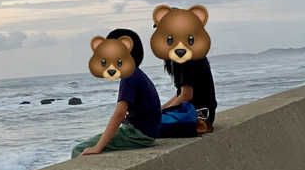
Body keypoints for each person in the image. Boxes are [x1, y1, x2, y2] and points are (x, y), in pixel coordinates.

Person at [71, 28, 161, 157]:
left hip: (138, 135)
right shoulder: (137, 73)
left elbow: (119, 114)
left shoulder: (129, 76)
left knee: (79, 149)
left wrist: (98, 147)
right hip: (147, 133)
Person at [161, 56, 217, 132]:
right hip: (205, 114)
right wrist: (162, 108)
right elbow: (181, 94)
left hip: (196, 116)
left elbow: (186, 96)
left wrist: (164, 112)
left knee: (150, 127)